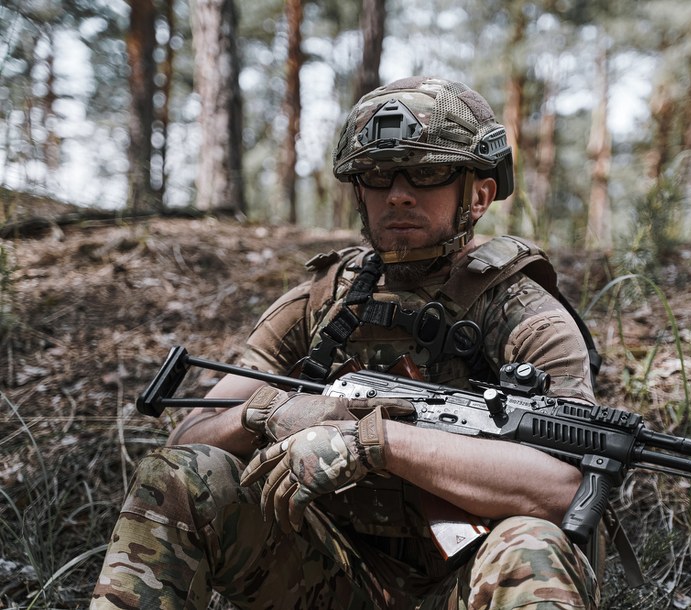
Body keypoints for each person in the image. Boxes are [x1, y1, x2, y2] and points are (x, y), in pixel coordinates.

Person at [91, 76, 605, 609]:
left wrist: (370, 441)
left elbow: (563, 488)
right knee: (181, 479)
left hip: (468, 586)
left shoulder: (527, 319)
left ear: (479, 193)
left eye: (426, 173)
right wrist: (265, 415)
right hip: (328, 576)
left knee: (534, 545)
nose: (399, 193)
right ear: (360, 190)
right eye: (378, 176)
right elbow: (186, 442)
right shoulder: (319, 305)